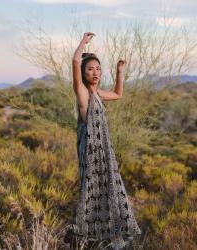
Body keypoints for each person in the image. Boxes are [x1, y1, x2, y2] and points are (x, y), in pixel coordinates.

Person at [64, 32, 141, 250]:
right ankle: (82, 236)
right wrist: (83, 42)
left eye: (98, 68)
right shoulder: (83, 94)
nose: (95, 72)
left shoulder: (98, 94)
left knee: (112, 189)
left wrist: (119, 72)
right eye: (90, 69)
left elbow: (118, 94)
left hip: (105, 151)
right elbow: (75, 60)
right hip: (90, 151)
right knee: (91, 192)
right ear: (83, 72)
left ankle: (108, 236)